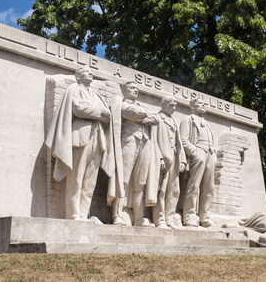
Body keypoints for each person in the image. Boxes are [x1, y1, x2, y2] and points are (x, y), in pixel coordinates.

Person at [45, 67, 114, 221]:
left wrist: (101, 114)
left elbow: (107, 115)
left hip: (97, 139)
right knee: (76, 178)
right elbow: (78, 108)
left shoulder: (96, 94)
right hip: (81, 138)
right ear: (78, 76)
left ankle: (84, 214)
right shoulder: (74, 89)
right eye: (86, 71)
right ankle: (73, 214)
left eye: (91, 72)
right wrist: (99, 113)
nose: (90, 73)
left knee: (90, 181)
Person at [114, 81, 160, 226]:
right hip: (129, 140)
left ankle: (138, 218)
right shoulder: (121, 103)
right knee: (123, 179)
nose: (135, 91)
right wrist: (146, 118)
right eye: (131, 88)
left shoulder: (141, 106)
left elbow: (156, 119)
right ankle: (117, 215)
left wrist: (144, 116)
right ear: (124, 91)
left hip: (144, 142)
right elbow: (130, 113)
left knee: (141, 181)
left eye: (136, 88)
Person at [179, 97, 216, 227]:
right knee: (193, 185)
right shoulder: (187, 120)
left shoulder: (206, 123)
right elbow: (183, 139)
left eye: (203, 103)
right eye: (200, 103)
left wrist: (213, 152)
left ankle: (204, 216)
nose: (203, 105)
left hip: (210, 153)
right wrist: (194, 151)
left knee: (209, 187)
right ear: (192, 107)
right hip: (198, 151)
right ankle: (189, 215)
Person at [152, 95, 187, 228]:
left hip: (174, 159)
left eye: (175, 106)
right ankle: (159, 219)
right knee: (160, 190)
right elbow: (153, 140)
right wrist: (159, 157)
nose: (174, 108)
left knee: (174, 191)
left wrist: (182, 160)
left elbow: (179, 144)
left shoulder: (174, 121)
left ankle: (170, 219)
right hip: (163, 159)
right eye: (171, 105)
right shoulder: (158, 118)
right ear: (164, 104)